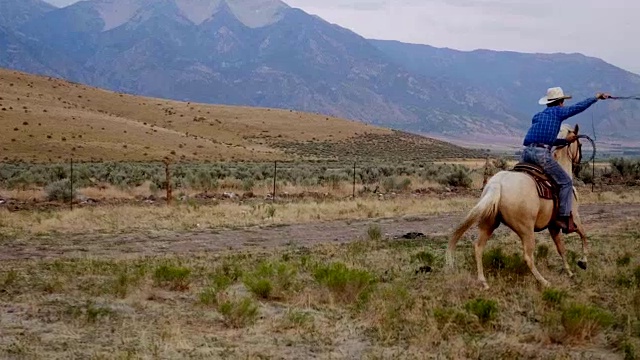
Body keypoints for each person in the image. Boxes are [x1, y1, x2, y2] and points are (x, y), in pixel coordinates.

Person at [521, 87, 610, 233]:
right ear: (561, 102)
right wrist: (596, 98)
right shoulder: (559, 111)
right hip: (541, 154)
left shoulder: (537, 116)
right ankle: (563, 218)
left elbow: (546, 140)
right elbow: (578, 107)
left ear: (548, 102)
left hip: (526, 153)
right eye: (562, 102)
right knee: (566, 182)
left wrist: (564, 141)